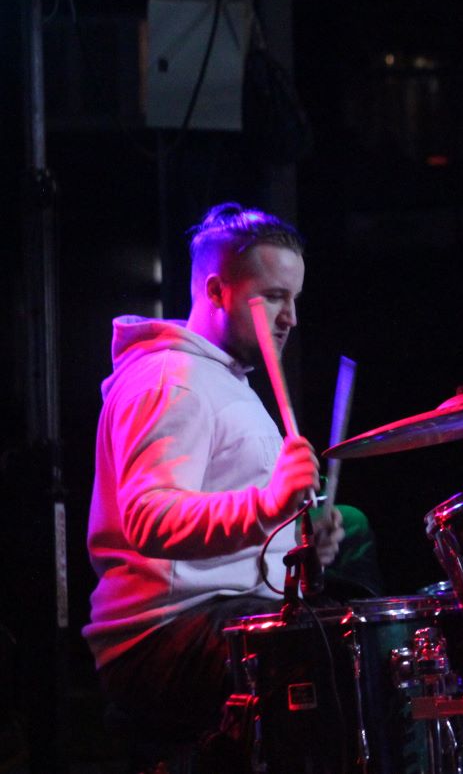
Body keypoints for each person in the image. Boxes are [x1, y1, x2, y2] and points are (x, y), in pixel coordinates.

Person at [85, 203, 358, 762]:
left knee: (365, 619)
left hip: (220, 613)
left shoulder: (225, 379)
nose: (291, 318)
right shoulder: (172, 381)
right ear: (216, 292)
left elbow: (241, 519)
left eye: (295, 299)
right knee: (336, 654)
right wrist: (268, 505)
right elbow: (150, 519)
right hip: (163, 634)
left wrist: (300, 539)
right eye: (274, 297)